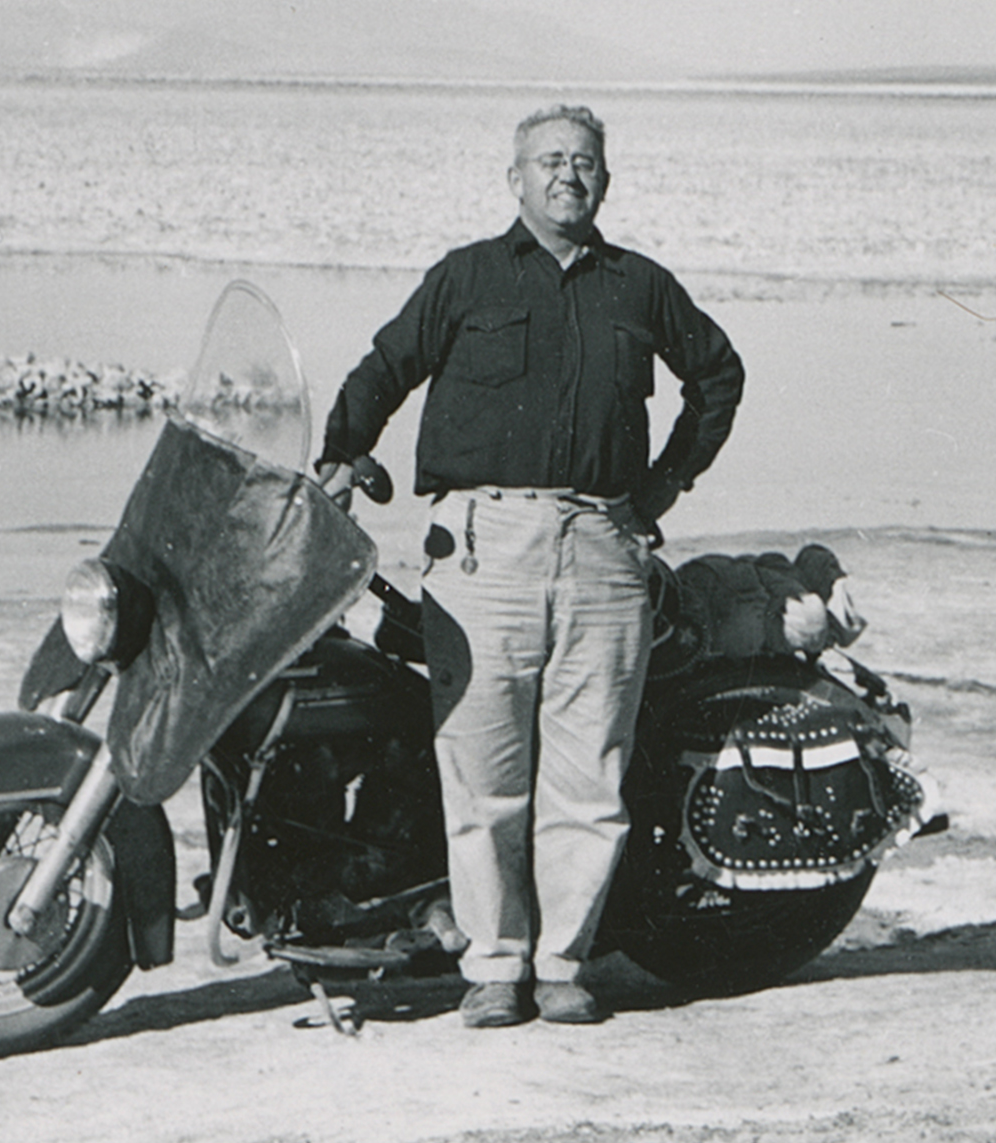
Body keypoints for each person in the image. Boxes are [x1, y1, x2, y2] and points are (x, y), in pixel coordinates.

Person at [316, 105, 744, 1026]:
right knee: (482, 770)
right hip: (481, 550)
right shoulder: (466, 276)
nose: (568, 176)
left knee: (589, 775)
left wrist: (663, 488)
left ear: (606, 182)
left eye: (585, 163)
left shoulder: (641, 285)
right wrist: (343, 455)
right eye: (550, 161)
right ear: (515, 179)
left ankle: (563, 963)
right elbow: (387, 365)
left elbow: (719, 376)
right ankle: (495, 964)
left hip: (602, 547)